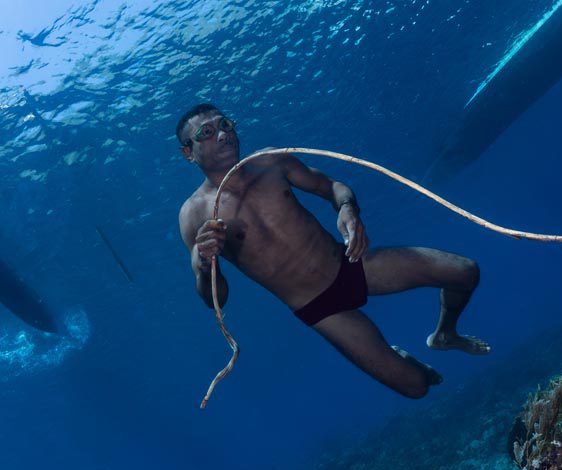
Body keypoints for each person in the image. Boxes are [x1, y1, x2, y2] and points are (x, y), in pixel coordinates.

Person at [176, 103, 490, 399]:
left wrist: (348, 209)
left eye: (225, 124)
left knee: (465, 271)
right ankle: (400, 357)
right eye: (206, 132)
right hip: (320, 309)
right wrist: (204, 263)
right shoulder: (193, 216)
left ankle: (445, 333)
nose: (222, 133)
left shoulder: (272, 160)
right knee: (416, 387)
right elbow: (215, 298)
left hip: (353, 264)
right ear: (188, 152)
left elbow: (332, 187)